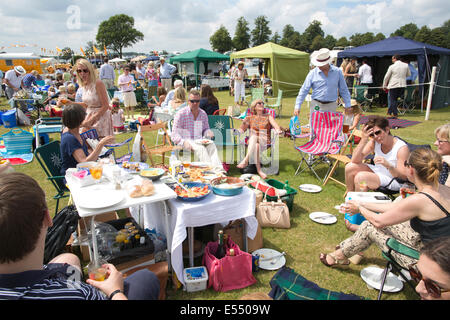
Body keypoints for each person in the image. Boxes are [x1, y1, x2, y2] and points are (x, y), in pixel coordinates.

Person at [0, 172, 160, 300]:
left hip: (32, 278)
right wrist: (114, 291)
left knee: (69, 258)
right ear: (48, 219)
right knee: (146, 278)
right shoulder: (79, 294)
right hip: (67, 289)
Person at [320, 148, 450, 269]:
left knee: (369, 227)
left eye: (406, 163)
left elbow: (379, 221)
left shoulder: (421, 199)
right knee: (378, 223)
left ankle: (339, 256)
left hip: (428, 262)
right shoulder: (442, 190)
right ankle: (347, 248)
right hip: (440, 251)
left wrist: (360, 208)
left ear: (411, 169)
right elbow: (394, 207)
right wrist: (362, 203)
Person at [345, 115, 409, 193]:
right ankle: (349, 197)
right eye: (372, 135)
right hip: (378, 172)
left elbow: (403, 176)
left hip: (393, 180)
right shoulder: (375, 142)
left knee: (361, 177)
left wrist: (388, 165)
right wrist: (364, 139)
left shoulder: (401, 148)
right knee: (350, 167)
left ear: (387, 129)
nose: (376, 137)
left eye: (378, 132)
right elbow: (354, 160)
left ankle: (359, 203)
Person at [171, 89, 223, 170]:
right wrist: (183, 142)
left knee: (211, 145)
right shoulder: (181, 114)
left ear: (200, 101)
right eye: (192, 101)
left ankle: (219, 169)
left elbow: (206, 129)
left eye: (197, 101)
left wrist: (208, 132)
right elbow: (174, 135)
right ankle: (210, 170)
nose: (195, 103)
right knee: (201, 149)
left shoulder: (203, 114)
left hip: (199, 140)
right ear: (188, 101)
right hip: (186, 141)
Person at [294, 48, 352, 118]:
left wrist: (348, 105)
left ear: (327, 62)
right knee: (315, 128)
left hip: (331, 105)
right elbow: (304, 90)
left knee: (330, 128)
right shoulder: (312, 73)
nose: (318, 66)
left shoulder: (337, 72)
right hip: (316, 105)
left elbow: (344, 89)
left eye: (321, 64)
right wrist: (297, 106)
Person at [60, 103, 115, 176]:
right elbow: (84, 162)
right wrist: (100, 145)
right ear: (79, 119)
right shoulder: (69, 138)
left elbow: (86, 152)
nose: (86, 117)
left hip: (82, 172)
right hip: (74, 176)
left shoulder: (74, 132)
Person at [236, 99, 283, 179]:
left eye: (262, 103)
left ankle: (245, 161)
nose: (262, 104)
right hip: (253, 141)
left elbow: (275, 125)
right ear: (254, 107)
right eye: (259, 103)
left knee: (254, 137)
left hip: (264, 139)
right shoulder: (249, 118)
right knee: (255, 143)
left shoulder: (268, 116)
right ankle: (259, 171)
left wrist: (278, 130)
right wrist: (236, 131)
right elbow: (241, 130)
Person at [75, 59, 113, 139]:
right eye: (79, 71)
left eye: (85, 70)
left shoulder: (98, 83)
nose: (82, 73)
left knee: (98, 147)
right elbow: (87, 104)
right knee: (86, 145)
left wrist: (91, 120)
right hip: (89, 116)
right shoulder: (84, 85)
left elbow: (105, 106)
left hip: (100, 118)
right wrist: (69, 103)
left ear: (90, 70)